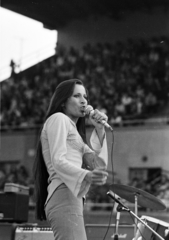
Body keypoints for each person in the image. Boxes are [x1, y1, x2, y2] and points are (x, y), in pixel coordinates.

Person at [33, 79, 109, 240]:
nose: (83, 101)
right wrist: (85, 175)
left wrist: (99, 128)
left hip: (70, 195)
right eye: (77, 96)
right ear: (63, 101)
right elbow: (58, 160)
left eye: (85, 97)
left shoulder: (76, 135)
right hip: (63, 192)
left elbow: (98, 165)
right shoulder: (58, 118)